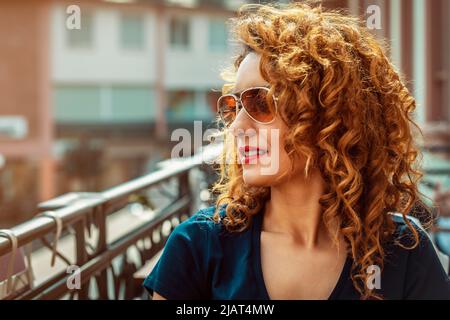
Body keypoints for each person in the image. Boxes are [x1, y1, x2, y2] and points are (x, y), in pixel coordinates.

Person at [144, 2, 450, 300]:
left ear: (330, 115)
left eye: (259, 103)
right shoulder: (198, 245)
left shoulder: (404, 251)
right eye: (232, 107)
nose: (235, 128)